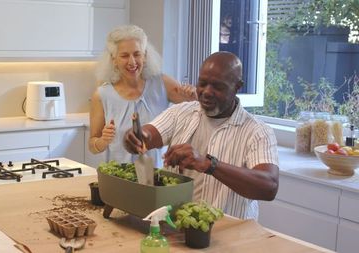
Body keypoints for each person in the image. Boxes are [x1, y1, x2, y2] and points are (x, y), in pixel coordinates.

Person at [123, 51, 279, 220]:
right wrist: (135, 137)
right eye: (202, 83)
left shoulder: (258, 132)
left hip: (229, 236)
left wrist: (208, 164)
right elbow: (147, 135)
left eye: (218, 87)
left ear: (237, 86)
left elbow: (269, 187)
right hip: (175, 228)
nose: (206, 92)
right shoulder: (180, 113)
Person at [89, 25, 196, 167]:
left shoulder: (162, 84)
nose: (132, 62)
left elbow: (198, 107)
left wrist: (194, 95)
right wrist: (103, 141)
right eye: (124, 55)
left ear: (144, 56)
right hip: (118, 178)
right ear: (113, 59)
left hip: (157, 177)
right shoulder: (102, 95)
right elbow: (92, 145)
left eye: (137, 54)